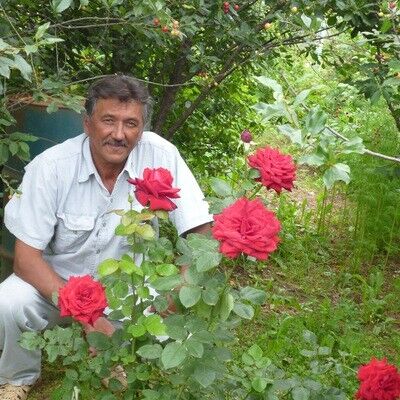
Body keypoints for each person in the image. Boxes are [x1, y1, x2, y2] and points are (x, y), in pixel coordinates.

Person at [0, 75, 212, 399]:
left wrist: (179, 291)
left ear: (142, 129)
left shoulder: (160, 154)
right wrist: (90, 318)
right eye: (108, 120)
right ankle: (17, 377)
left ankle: (113, 361)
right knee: (9, 301)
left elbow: (200, 229)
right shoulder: (52, 167)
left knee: (176, 338)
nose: (119, 134)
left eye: (131, 123)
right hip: (59, 286)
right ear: (87, 123)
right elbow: (26, 261)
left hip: (131, 289)